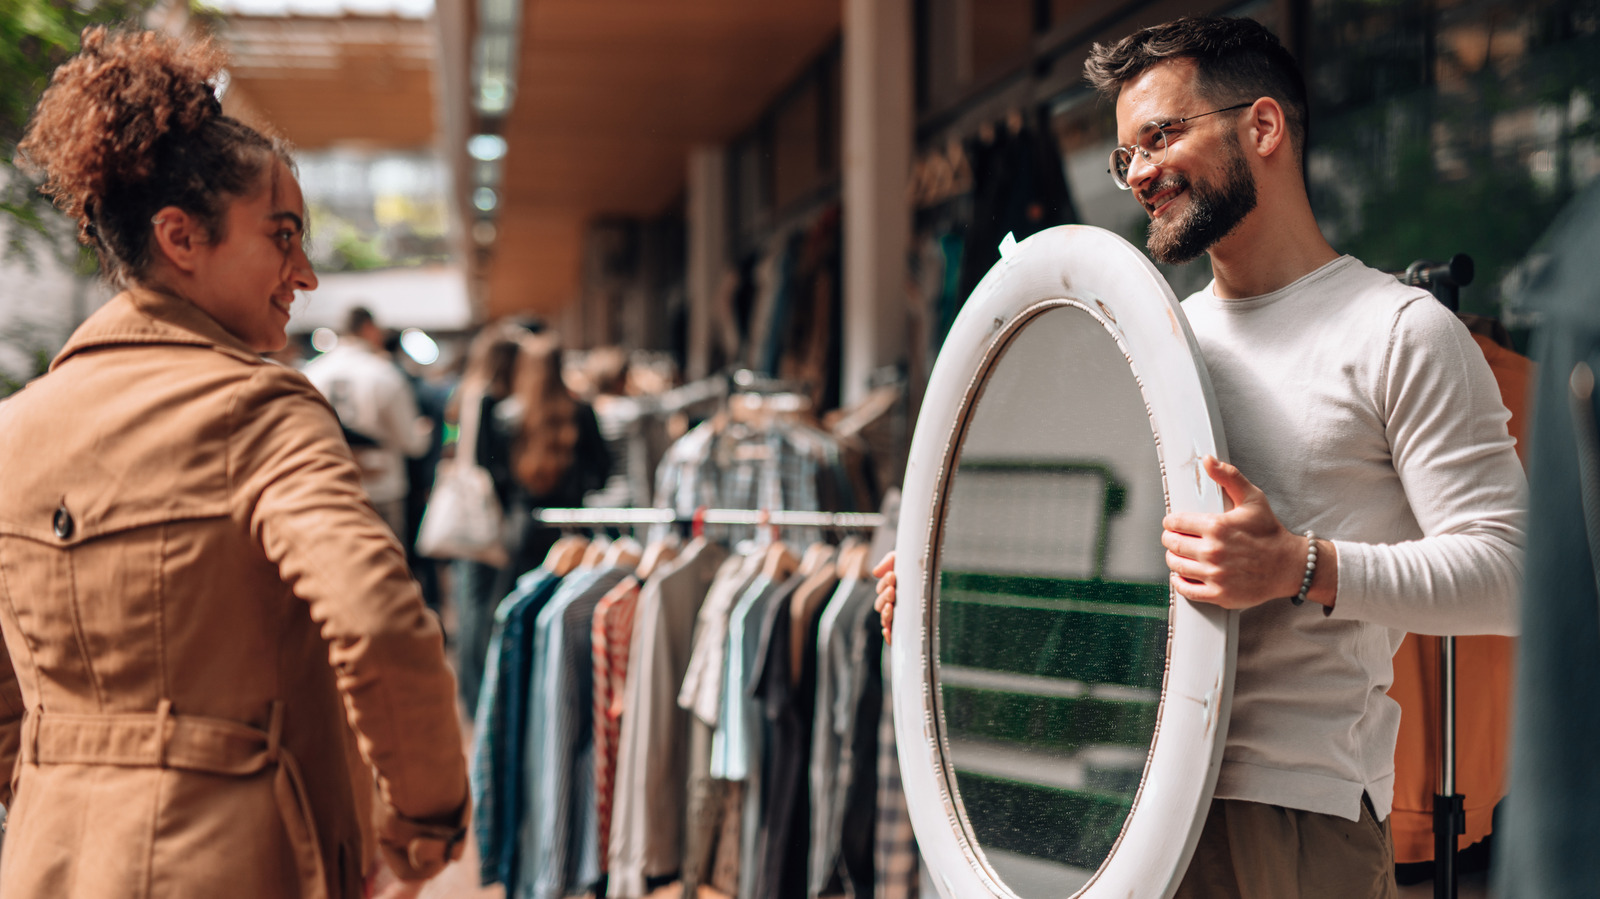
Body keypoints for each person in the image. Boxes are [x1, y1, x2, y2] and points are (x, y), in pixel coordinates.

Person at [874, 16, 1525, 898]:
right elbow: (1125, 603)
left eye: (1161, 134)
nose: (1137, 171)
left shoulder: (1400, 332)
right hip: (1126, 810)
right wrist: (942, 601)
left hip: (1293, 814)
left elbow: (1516, 575)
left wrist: (1302, 565)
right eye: (1123, 155)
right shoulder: (1151, 342)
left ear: (1262, 128)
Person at [0, 27, 468, 898]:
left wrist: (47, 793)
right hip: (238, 855)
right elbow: (378, 621)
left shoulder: (11, 431)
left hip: (48, 860)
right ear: (181, 236)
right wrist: (422, 819)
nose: (307, 274)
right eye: (282, 236)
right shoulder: (258, 410)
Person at [304, 306, 431, 538]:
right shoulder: (383, 373)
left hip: (331, 485)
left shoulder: (312, 372)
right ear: (369, 329)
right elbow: (413, 444)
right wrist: (424, 431)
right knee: (387, 566)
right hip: (381, 486)